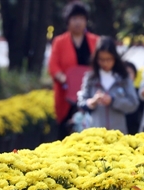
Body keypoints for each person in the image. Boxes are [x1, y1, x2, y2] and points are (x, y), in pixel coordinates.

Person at [48, 1, 99, 139]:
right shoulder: (59, 42)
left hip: (91, 94)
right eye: (74, 18)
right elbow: (53, 66)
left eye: (81, 18)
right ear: (68, 21)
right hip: (67, 95)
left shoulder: (96, 41)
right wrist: (64, 78)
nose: (78, 22)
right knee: (65, 133)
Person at [77, 37, 139, 134]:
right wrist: (92, 102)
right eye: (101, 59)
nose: (105, 63)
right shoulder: (90, 78)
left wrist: (113, 101)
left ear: (115, 58)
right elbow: (81, 101)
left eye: (108, 59)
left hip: (118, 134)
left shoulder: (123, 78)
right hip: (95, 134)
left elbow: (133, 104)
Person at [124, 61, 144, 135]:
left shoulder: (139, 92)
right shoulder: (114, 93)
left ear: (135, 75)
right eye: (123, 72)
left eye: (129, 73)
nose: (126, 76)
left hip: (136, 129)